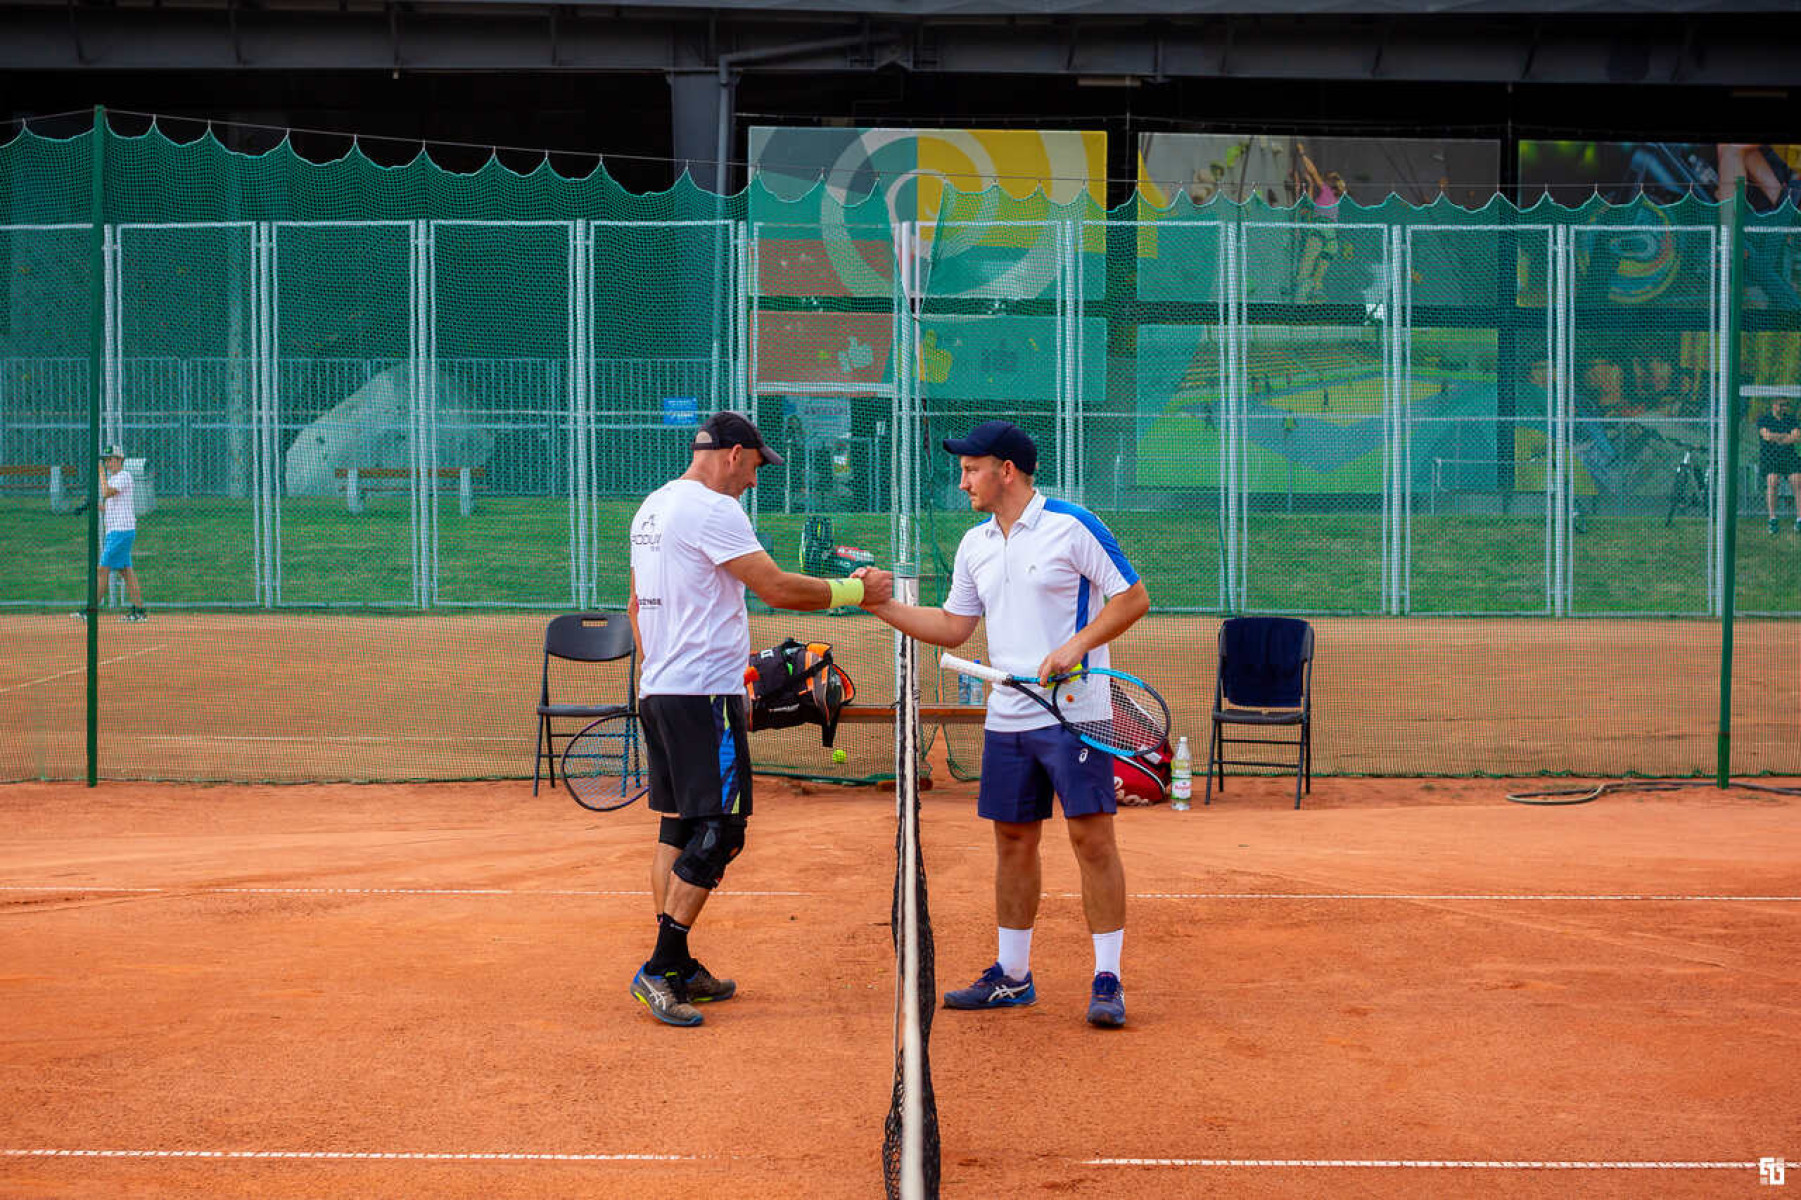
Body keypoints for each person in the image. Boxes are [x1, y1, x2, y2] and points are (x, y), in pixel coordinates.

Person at [856, 419, 1150, 1028]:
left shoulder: (1073, 525)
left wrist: (1074, 647)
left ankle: (1108, 979)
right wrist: (881, 606)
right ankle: (1013, 976)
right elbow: (953, 626)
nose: (963, 481)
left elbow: (1132, 597)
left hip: (1075, 712)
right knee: (1013, 840)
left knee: (1092, 840)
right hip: (1008, 717)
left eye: (972, 470)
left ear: (1006, 471)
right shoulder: (976, 544)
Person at [624, 410, 890, 1028]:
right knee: (723, 831)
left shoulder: (652, 507)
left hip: (661, 690)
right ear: (733, 454)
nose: (752, 481)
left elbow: (635, 603)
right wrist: (856, 592)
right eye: (753, 468)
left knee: (679, 827)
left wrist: (663, 670)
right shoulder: (715, 509)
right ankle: (660, 967)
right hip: (701, 695)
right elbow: (775, 588)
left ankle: (677, 964)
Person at [88, 445, 147, 622]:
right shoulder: (114, 479)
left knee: (102, 569)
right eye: (105, 461)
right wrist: (94, 505)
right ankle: (139, 611)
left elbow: (107, 492)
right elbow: (110, 507)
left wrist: (100, 473)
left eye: (111, 459)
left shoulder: (123, 476)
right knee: (126, 572)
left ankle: (91, 610)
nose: (107, 463)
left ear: (120, 460)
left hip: (120, 531)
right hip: (116, 531)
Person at [1755, 394, 1801, 535]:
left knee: (1797, 481)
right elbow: (1766, 436)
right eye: (1781, 405)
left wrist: (1777, 437)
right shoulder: (1764, 419)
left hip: (1788, 455)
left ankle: (1799, 519)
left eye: (1786, 405)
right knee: (1773, 480)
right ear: (1774, 405)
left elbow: (1797, 437)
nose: (1784, 408)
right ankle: (1773, 519)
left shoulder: (1791, 419)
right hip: (1771, 456)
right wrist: (1785, 436)